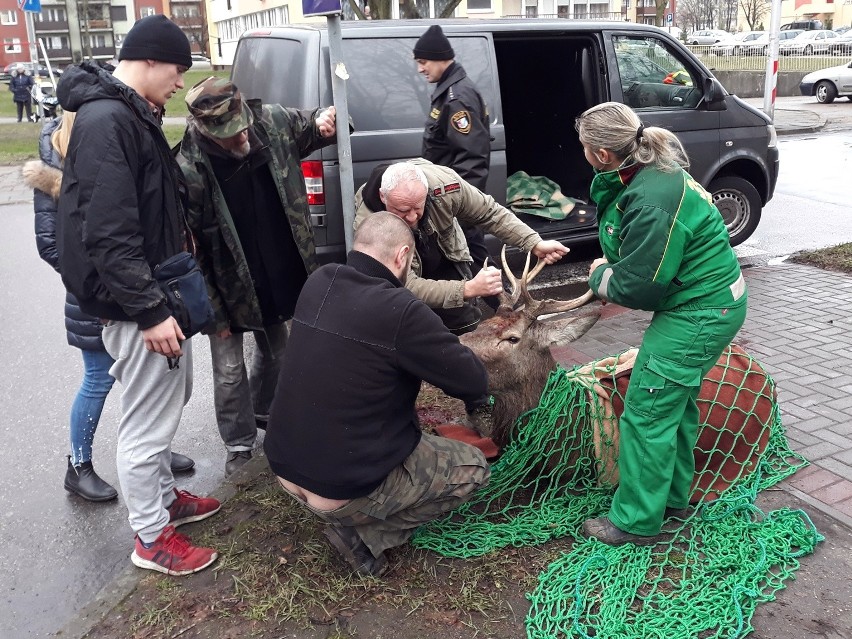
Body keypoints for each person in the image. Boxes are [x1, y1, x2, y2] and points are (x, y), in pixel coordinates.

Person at [55, 15, 220, 576]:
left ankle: (166, 501)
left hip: (155, 292)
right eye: (177, 71)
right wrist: (149, 313)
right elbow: (108, 232)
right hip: (136, 306)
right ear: (149, 59)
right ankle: (150, 538)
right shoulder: (108, 121)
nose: (179, 84)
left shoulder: (128, 113)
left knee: (172, 397)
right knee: (147, 422)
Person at [264, 212, 492, 577]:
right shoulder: (402, 311)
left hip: (284, 468)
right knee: (473, 468)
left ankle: (350, 510)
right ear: (402, 257)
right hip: (339, 488)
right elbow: (472, 379)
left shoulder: (319, 281)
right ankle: (369, 537)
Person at [575, 102, 747, 546]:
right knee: (675, 403)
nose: (583, 153)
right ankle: (671, 497)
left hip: (700, 312)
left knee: (648, 409)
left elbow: (639, 288)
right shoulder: (647, 169)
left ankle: (634, 521)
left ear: (602, 154)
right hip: (708, 304)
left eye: (584, 147)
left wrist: (600, 274)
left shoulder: (652, 198)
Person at [23, 110, 197, 502]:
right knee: (99, 378)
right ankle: (78, 465)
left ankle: (157, 455)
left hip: (132, 292)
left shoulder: (110, 160)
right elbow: (50, 245)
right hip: (93, 296)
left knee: (149, 383)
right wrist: (104, 281)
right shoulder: (54, 173)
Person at [177, 77, 340, 476]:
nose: (242, 136)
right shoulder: (188, 168)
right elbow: (190, 252)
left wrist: (326, 121)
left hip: (276, 270)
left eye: (243, 126)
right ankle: (238, 445)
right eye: (231, 135)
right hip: (226, 287)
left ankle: (265, 411)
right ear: (206, 130)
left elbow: (311, 124)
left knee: (276, 351)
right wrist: (213, 313)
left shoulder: (270, 122)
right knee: (229, 370)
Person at [354, 159, 569, 334]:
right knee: (412, 325)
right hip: (403, 275)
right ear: (383, 197)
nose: (411, 217)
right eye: (402, 210)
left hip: (442, 253)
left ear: (427, 191)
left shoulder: (446, 186)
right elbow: (405, 284)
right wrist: (468, 289)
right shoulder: (370, 224)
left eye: (417, 208)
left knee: (464, 321)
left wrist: (533, 242)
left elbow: (489, 213)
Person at [413, 24, 493, 304]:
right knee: (461, 257)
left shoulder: (457, 98)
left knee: (474, 256)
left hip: (454, 197)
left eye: (423, 62)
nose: (420, 69)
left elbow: (472, 158)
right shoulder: (448, 92)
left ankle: (511, 311)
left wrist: (458, 204)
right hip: (445, 194)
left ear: (439, 58)